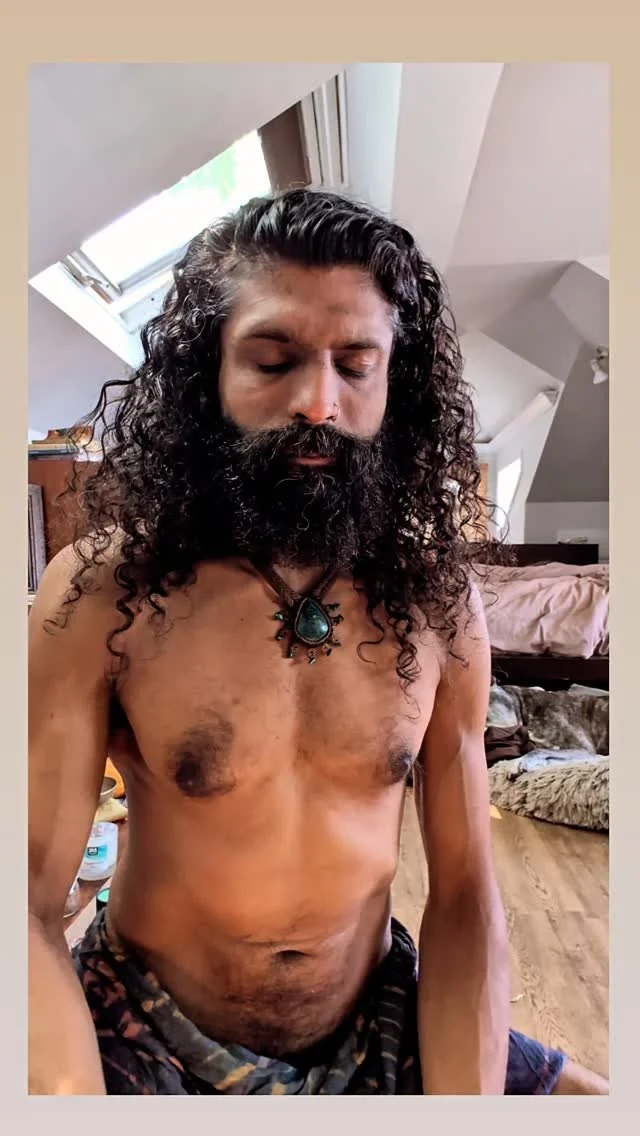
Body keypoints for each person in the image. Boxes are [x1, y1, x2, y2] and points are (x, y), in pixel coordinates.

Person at [28, 188, 608, 1096]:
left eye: (356, 365)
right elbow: (26, 904)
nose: (318, 402)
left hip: (380, 1014)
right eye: (274, 360)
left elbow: (465, 898)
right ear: (208, 373)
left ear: (394, 384)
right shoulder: (106, 593)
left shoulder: (435, 600)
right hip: (147, 1030)